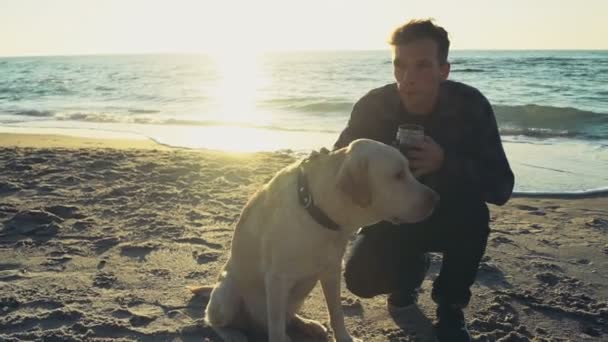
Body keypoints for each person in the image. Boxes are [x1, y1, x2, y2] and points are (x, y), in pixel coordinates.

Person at [334, 19, 514, 342]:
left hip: (451, 215)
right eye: (400, 66)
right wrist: (381, 167)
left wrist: (445, 163)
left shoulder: (470, 106)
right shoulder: (374, 108)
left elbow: (501, 186)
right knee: (359, 279)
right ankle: (408, 280)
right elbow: (337, 167)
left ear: (444, 70)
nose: (408, 79)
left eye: (421, 67)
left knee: (476, 216)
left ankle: (450, 308)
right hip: (391, 220)